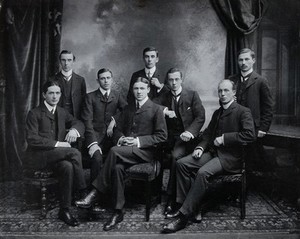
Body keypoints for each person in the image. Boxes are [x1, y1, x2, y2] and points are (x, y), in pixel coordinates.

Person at [162, 79, 255, 233]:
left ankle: (183, 217)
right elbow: (207, 135)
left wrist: (225, 138)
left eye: (226, 91)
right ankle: (188, 205)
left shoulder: (243, 111)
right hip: (214, 154)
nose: (223, 94)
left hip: (230, 158)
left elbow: (250, 135)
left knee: (202, 172)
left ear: (233, 93)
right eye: (220, 91)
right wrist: (199, 147)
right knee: (181, 164)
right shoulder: (218, 112)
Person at [75, 77, 168, 231]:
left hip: (146, 152)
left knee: (113, 151)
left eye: (142, 88)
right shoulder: (129, 108)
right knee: (117, 168)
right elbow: (117, 129)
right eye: (136, 89)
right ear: (133, 90)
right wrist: (121, 138)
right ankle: (118, 211)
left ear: (148, 90)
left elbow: (162, 136)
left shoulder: (156, 109)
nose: (138, 92)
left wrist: (137, 141)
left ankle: (95, 192)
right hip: (127, 152)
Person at [25, 80, 86, 227]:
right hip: (38, 158)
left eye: (57, 93)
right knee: (74, 152)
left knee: (67, 166)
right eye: (51, 93)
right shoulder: (34, 113)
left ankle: (64, 210)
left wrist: (74, 130)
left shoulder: (62, 112)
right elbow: (32, 139)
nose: (54, 96)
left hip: (56, 158)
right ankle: (83, 193)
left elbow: (79, 122)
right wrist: (58, 144)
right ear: (44, 94)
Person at [155, 68, 205, 215]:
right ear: (167, 81)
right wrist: (164, 110)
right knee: (169, 155)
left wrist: (190, 132)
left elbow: (200, 116)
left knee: (176, 158)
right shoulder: (164, 96)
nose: (174, 83)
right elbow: (151, 105)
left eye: (176, 79)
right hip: (170, 139)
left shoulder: (192, 95)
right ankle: (173, 197)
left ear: (181, 79)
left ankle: (172, 198)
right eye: (171, 80)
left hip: (189, 139)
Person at [228, 48, 273, 170]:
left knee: (253, 158)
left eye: (247, 59)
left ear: (253, 60)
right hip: (235, 124)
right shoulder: (232, 80)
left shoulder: (261, 81)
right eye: (240, 60)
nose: (243, 62)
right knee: (235, 156)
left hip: (254, 127)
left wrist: (263, 128)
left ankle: (254, 185)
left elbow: (268, 107)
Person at [81, 68, 127, 183]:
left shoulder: (116, 95)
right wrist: (93, 143)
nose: (106, 81)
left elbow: (126, 110)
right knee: (97, 158)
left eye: (108, 78)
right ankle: (94, 192)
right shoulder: (90, 97)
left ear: (112, 80)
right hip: (95, 137)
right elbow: (87, 122)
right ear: (98, 81)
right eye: (102, 78)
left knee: (120, 156)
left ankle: (113, 190)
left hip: (112, 137)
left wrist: (114, 120)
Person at [52, 50, 87, 119]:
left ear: (73, 61)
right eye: (63, 60)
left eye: (69, 60)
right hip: (57, 118)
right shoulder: (52, 80)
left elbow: (84, 102)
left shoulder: (80, 80)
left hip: (76, 118)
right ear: (59, 61)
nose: (66, 63)